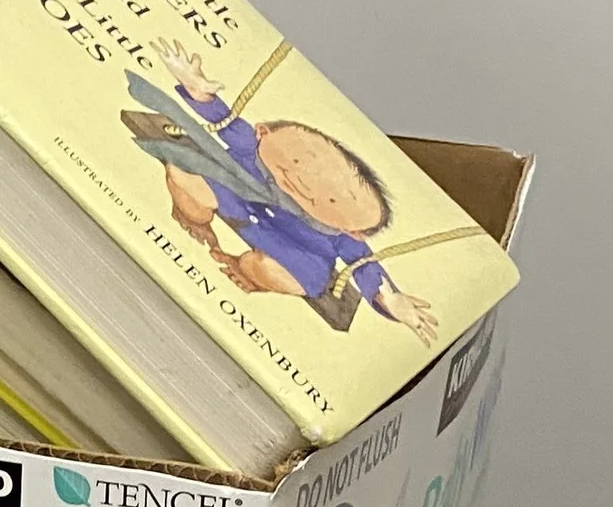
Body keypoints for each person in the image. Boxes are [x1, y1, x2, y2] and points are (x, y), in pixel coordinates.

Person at [125, 45, 438, 343]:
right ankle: (196, 222)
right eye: (299, 162)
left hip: (294, 253)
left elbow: (366, 266)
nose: (305, 185)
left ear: (353, 230)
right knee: (181, 173)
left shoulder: (338, 234)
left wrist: (390, 299)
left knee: (265, 268)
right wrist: (199, 92)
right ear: (263, 132)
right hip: (235, 201)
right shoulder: (254, 152)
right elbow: (225, 122)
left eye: (331, 199)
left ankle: (249, 274)